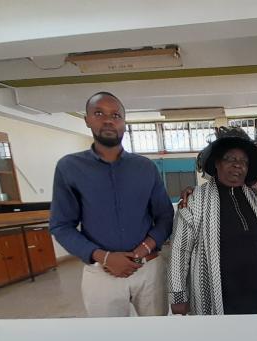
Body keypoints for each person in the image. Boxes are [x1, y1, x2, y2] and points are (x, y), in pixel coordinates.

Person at [50, 91, 174, 317]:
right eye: (99, 113)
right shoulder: (69, 168)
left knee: (157, 336)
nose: (108, 120)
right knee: (109, 340)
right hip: (101, 273)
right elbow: (61, 226)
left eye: (116, 115)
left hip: (148, 269)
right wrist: (104, 257)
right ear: (87, 120)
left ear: (124, 123)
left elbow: (165, 216)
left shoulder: (145, 168)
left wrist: (142, 249)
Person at [167, 127, 257, 315]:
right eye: (230, 159)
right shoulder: (195, 199)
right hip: (215, 296)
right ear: (216, 163)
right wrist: (178, 296)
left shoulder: (255, 200)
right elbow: (180, 250)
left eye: (244, 161)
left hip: (254, 295)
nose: (238, 165)